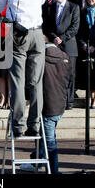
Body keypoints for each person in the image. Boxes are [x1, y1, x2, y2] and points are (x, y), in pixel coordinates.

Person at [0, 0, 46, 137]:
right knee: (36, 81)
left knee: (18, 80)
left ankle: (18, 125)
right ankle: (35, 123)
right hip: (37, 33)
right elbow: (43, 1)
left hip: (19, 34)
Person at [20, 37, 72, 174]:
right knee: (45, 136)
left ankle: (53, 170)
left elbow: (31, 81)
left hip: (47, 104)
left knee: (49, 142)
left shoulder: (39, 58)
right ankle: (37, 161)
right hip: (59, 103)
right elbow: (70, 79)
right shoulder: (65, 57)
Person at [43, 0, 80, 110]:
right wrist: (54, 37)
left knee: (70, 73)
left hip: (69, 45)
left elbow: (75, 27)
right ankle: (57, 100)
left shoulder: (74, 7)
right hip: (54, 46)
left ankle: (69, 101)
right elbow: (47, 26)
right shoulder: (49, 8)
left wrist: (62, 38)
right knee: (55, 74)